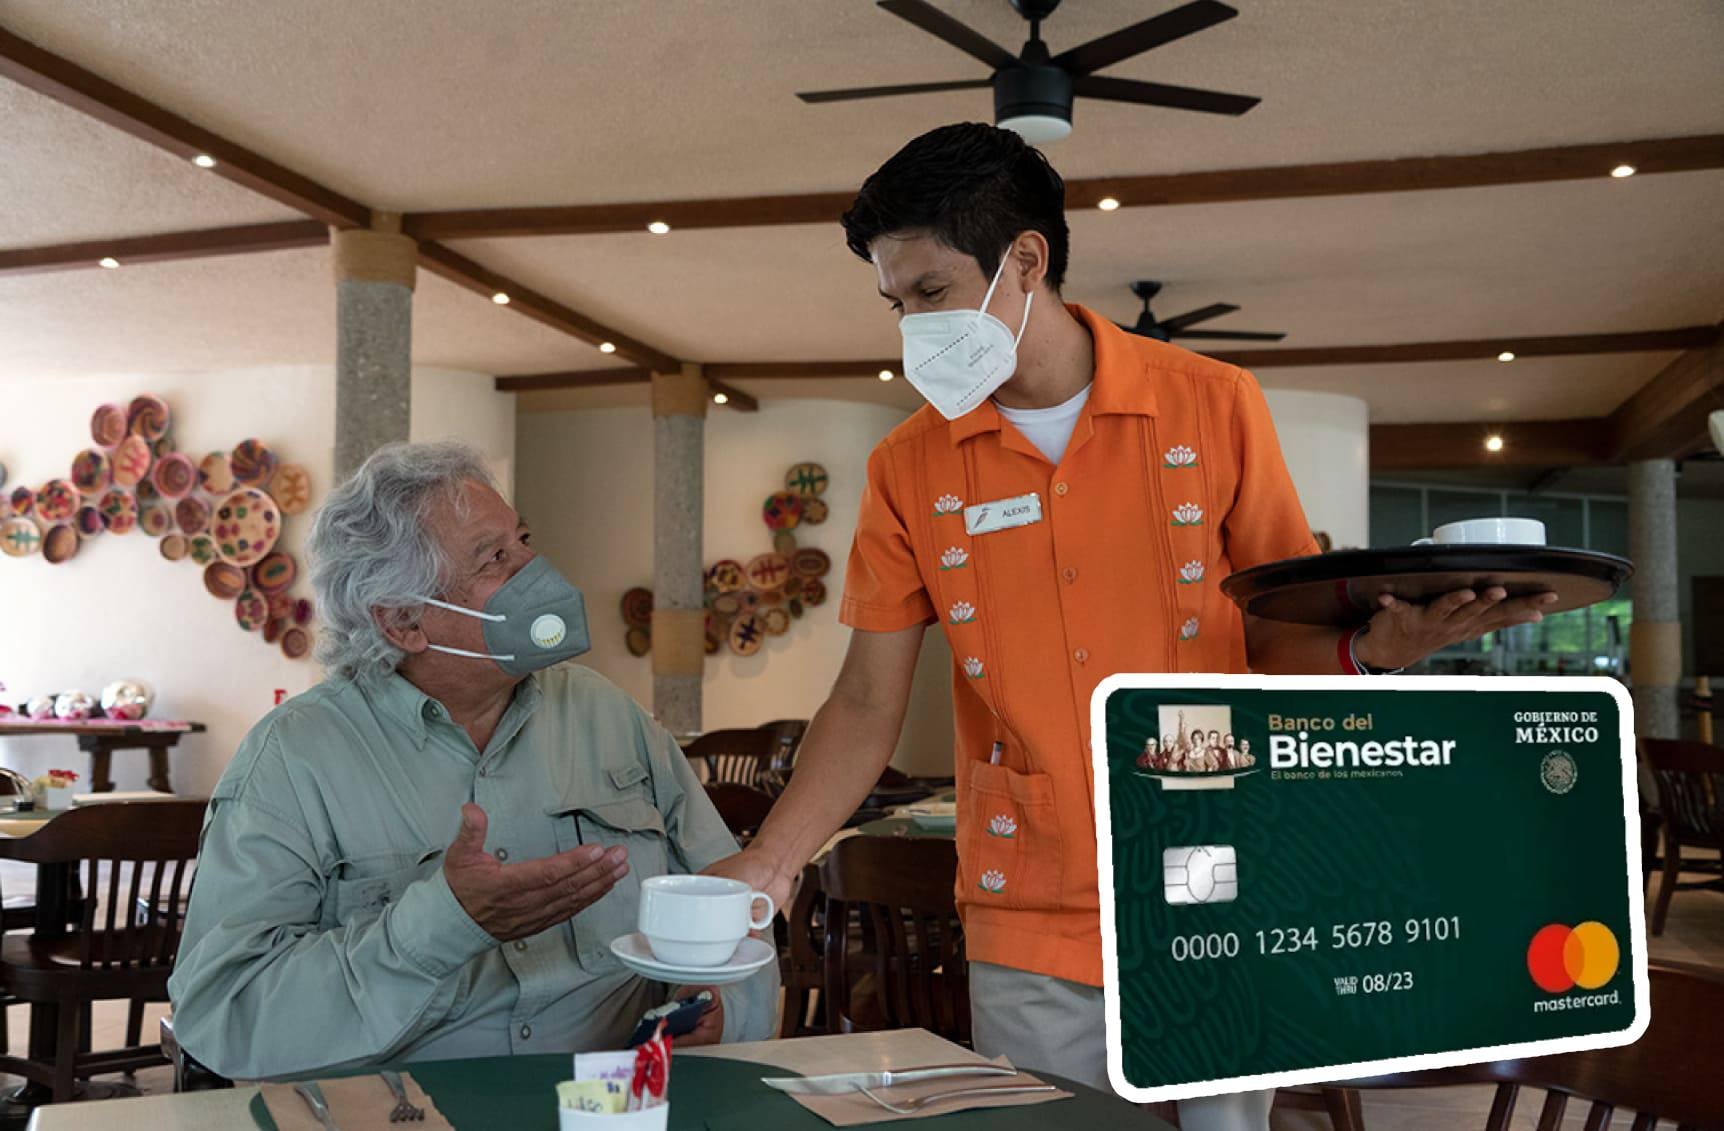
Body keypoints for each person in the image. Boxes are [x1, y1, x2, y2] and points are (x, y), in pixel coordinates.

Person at [707, 124, 1552, 1128]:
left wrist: (1368, 651)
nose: (912, 328)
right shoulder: (910, 465)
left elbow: (1279, 635)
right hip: (1029, 898)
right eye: (896, 304)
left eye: (930, 293)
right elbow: (863, 694)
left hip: (1221, 875)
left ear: (1023, 260)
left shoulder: (1211, 407)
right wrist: (768, 863)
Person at [169, 442, 778, 1079]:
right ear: (404, 622)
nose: (535, 567)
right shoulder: (293, 758)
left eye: (522, 540)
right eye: (495, 558)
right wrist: (439, 924)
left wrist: (719, 1011)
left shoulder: (610, 716)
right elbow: (222, 1013)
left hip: (614, 1107)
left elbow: (736, 903)